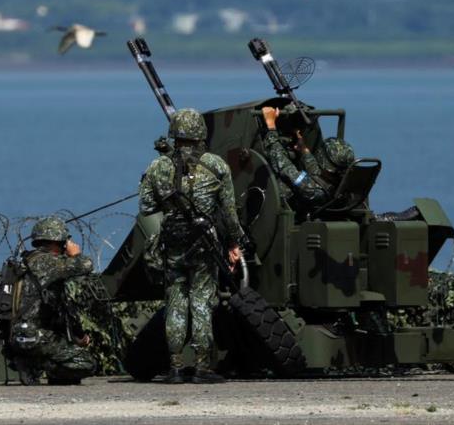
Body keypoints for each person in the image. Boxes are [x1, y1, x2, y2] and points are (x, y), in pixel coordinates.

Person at [139, 108, 245, 384]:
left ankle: (174, 367)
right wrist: (235, 243)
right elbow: (229, 213)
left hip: (172, 239)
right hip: (204, 243)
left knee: (175, 300)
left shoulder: (158, 166)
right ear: (201, 133)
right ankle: (201, 368)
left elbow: (146, 206)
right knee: (201, 301)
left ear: (174, 134)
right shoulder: (217, 165)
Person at [7, 216, 96, 385]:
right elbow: (85, 265)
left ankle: (31, 362)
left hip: (16, 335)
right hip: (34, 336)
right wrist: (75, 254)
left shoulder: (28, 261)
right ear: (59, 241)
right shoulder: (47, 262)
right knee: (86, 364)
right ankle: (35, 365)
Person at [261, 106, 356, 208]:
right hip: (322, 203)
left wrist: (271, 126)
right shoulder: (339, 181)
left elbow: (284, 166)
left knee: (281, 185)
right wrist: (303, 149)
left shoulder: (311, 189)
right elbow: (316, 174)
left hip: (300, 211)